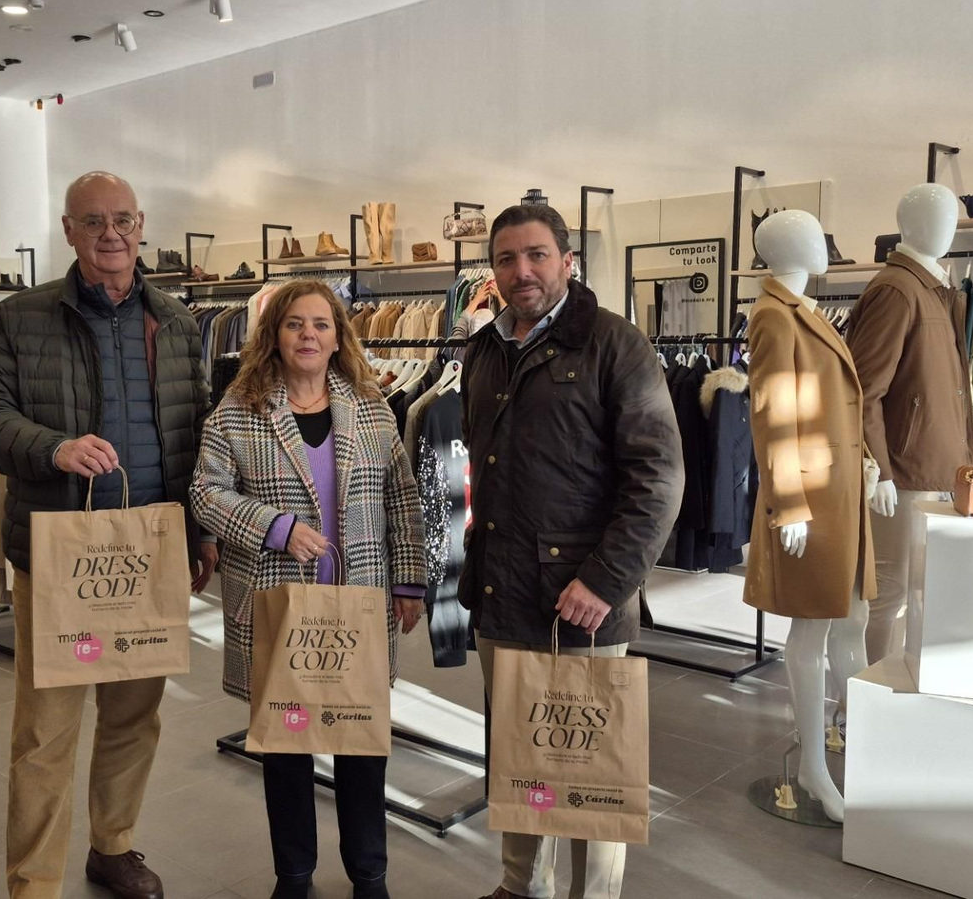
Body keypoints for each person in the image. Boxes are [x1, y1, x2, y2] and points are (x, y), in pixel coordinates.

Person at [0, 171, 216, 899]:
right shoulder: (20, 317)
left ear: (143, 227)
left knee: (135, 717)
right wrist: (53, 447)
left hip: (150, 546)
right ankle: (34, 882)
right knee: (46, 732)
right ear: (68, 231)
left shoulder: (174, 319)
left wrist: (198, 531)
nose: (112, 235)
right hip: (57, 550)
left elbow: (195, 433)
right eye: (94, 222)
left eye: (124, 221)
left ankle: (114, 845)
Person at [460, 204, 683, 899]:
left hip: (579, 604)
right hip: (503, 593)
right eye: (505, 259)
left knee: (591, 773)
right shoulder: (483, 348)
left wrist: (606, 581)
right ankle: (520, 883)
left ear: (566, 261)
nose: (520, 271)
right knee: (518, 755)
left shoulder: (616, 345)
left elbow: (659, 477)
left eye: (534, 255)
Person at [191, 279, 427, 899]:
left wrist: (409, 580)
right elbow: (206, 495)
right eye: (295, 324)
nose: (308, 336)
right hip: (277, 608)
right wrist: (276, 527)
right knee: (286, 747)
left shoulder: (371, 408)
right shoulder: (238, 410)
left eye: (321, 325)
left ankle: (368, 873)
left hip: (360, 601)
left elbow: (401, 497)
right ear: (274, 335)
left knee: (361, 744)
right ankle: (293, 874)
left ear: (338, 335)